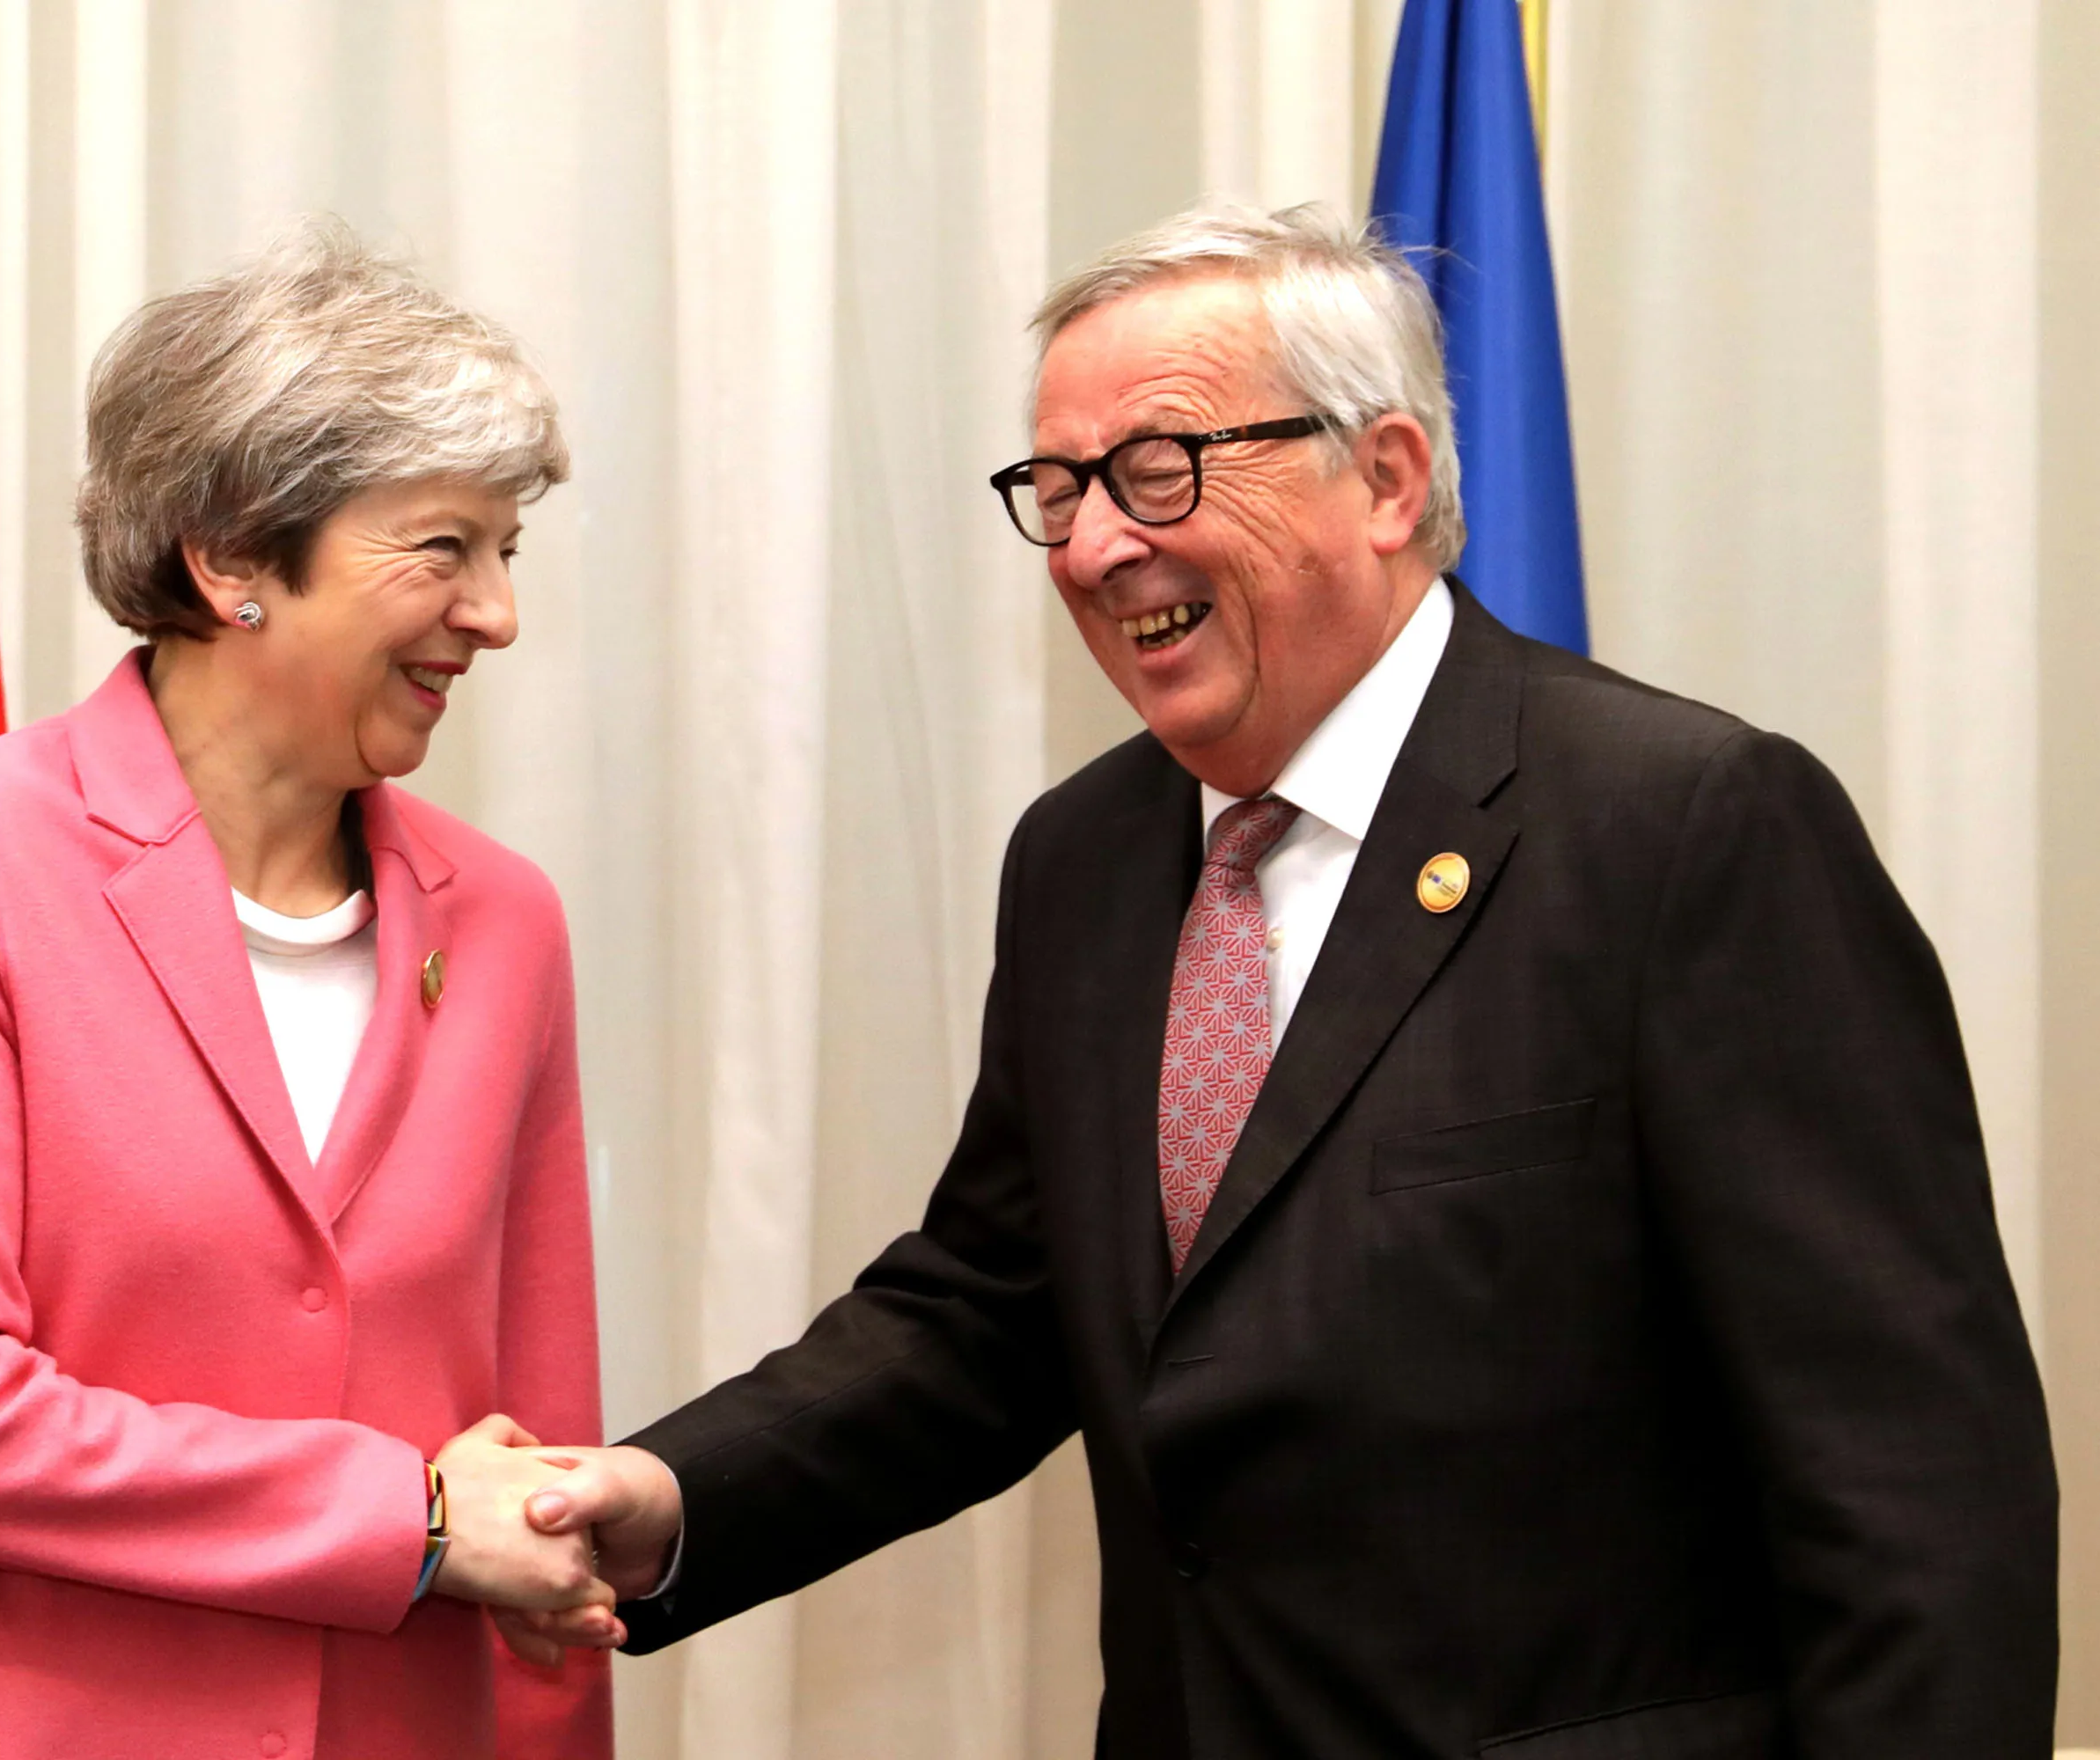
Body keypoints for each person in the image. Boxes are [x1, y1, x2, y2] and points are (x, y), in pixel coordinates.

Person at [514, 204, 2060, 1756]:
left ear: (1384, 477)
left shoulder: (1684, 828)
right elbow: (993, 1312)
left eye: (1158, 469)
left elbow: (1912, 1483)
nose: (1101, 544)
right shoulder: (1085, 860)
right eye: (1057, 491)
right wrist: (664, 1498)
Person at [0, 224, 615, 1760]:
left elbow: (532, 1484)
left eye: (504, 552)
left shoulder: (508, 923)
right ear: (234, 559)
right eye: (442, 548)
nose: (496, 615)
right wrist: (407, 1521)